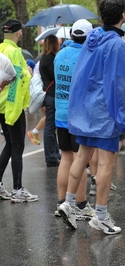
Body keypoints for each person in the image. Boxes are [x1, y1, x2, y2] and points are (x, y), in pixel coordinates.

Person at [58, 0, 125, 235]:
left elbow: (80, 76)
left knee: (80, 157)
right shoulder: (115, 43)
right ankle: (100, 215)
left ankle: (69, 204)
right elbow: (117, 85)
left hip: (85, 111)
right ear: (123, 14)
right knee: (105, 165)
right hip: (105, 113)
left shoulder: (91, 39)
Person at [53, 19, 95, 219]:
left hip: (60, 113)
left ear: (71, 35)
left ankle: (62, 202)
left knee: (66, 158)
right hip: (79, 116)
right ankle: (81, 204)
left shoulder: (60, 54)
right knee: (81, 161)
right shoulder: (87, 56)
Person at [0, 19, 38, 202]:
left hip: (1, 104)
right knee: (17, 146)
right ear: (18, 33)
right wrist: (28, 74)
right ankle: (17, 190)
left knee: (9, 144)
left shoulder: (0, 49)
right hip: (11, 106)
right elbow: (17, 80)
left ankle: (0, 185)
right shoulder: (15, 52)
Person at [39, 34, 61, 167]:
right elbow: (55, 76)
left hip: (48, 93)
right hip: (52, 94)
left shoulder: (43, 58)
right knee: (50, 126)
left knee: (50, 125)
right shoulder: (51, 59)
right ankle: (51, 156)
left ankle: (54, 152)